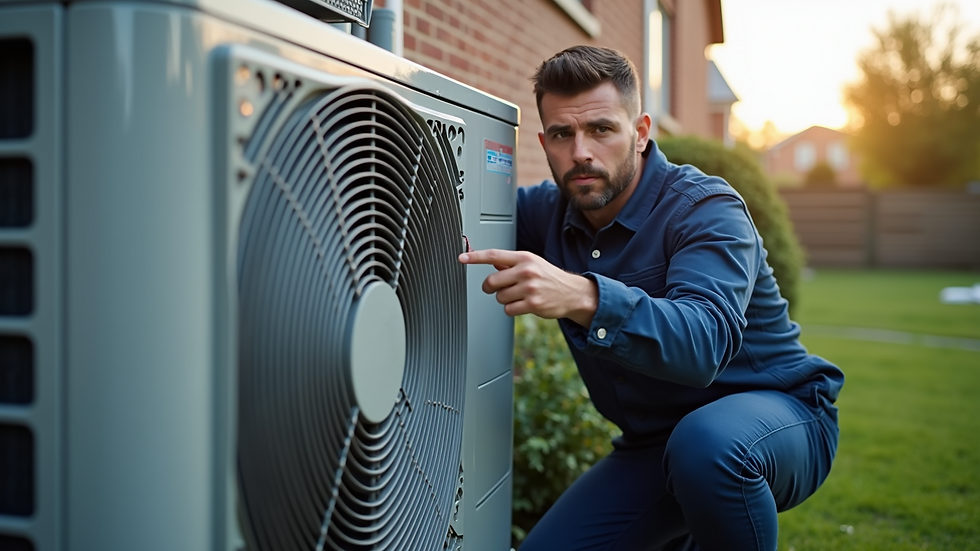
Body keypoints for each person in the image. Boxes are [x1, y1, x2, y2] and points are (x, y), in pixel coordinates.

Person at [457, 45, 844, 551]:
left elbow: (703, 342)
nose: (580, 153)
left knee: (708, 449)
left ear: (640, 133)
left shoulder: (705, 209)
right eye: (562, 134)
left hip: (778, 420)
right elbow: (455, 212)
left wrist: (584, 296)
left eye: (601, 129)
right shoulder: (542, 214)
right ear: (544, 141)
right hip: (654, 447)